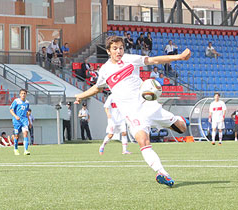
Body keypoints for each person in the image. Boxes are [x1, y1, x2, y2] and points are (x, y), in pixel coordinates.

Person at [74, 35, 191, 187]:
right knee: (143, 141)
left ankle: (179, 119)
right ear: (109, 51)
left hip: (148, 105)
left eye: (121, 48)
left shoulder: (130, 59)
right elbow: (97, 88)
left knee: (182, 128)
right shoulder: (105, 70)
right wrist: (80, 96)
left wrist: (179, 57)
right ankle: (163, 173)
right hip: (132, 113)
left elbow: (153, 60)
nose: (119, 51)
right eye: (115, 48)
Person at [10, 89, 31, 155]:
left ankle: (26, 150)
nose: (23, 95)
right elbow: (11, 110)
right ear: (20, 94)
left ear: (26, 94)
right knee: (16, 136)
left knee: (25, 133)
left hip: (24, 120)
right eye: (22, 93)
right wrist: (15, 116)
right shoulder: (16, 101)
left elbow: (27, 112)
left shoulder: (27, 102)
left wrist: (29, 121)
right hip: (17, 121)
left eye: (24, 93)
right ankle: (15, 149)